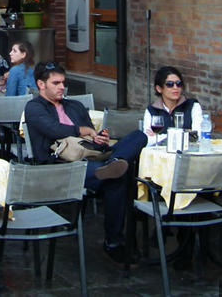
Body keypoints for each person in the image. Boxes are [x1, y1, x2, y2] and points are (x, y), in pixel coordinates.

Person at [24, 62, 147, 261]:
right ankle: (114, 242)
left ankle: (116, 161)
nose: (61, 87)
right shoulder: (34, 107)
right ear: (41, 84)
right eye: (56, 83)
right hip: (59, 166)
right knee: (118, 179)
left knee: (139, 136)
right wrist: (84, 130)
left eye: (63, 82)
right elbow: (53, 129)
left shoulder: (75, 106)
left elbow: (90, 136)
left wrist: (99, 137)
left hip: (92, 155)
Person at [142, 66, 204, 144]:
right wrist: (184, 134)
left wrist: (159, 137)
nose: (175, 87)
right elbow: (148, 140)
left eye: (178, 83)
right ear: (159, 89)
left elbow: (197, 136)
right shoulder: (152, 110)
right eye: (170, 84)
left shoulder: (193, 106)